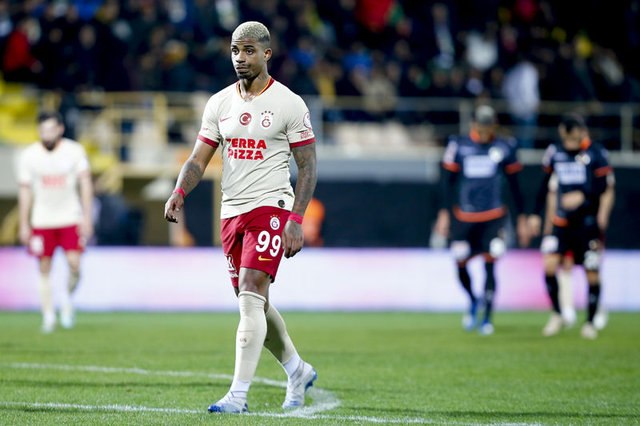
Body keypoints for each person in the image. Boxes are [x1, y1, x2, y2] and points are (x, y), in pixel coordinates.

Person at [164, 21, 318, 414]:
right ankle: (297, 370)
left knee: (250, 292)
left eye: (249, 50)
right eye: (235, 50)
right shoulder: (219, 103)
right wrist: (179, 192)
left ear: (267, 54)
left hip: (271, 207)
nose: (240, 58)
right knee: (254, 303)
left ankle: (237, 394)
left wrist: (296, 219)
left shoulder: (289, 103)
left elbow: (307, 166)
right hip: (231, 211)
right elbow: (198, 159)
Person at [434, 105, 528, 335]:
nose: (485, 130)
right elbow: (447, 181)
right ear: (474, 124)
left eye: (489, 124)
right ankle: (473, 300)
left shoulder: (505, 146)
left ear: (494, 124)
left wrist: (521, 218)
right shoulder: (458, 145)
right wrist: (444, 213)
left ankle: (487, 318)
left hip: (493, 217)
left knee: (490, 263)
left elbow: (516, 185)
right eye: (481, 125)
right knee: (460, 261)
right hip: (464, 216)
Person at [529, 113, 614, 339]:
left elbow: (604, 185)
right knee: (549, 266)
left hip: (587, 223)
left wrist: (583, 195)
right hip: (562, 222)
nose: (569, 144)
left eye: (573, 139)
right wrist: (535, 214)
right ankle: (558, 314)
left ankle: (590, 322)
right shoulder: (554, 152)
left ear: (582, 133)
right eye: (565, 139)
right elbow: (543, 184)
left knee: (591, 271)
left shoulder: (596, 153)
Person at [17, 111, 93, 333]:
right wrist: (24, 223)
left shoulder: (74, 151)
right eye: (43, 130)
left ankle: (66, 300)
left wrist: (87, 216)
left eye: (51, 129)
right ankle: (48, 316)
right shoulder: (29, 155)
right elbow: (25, 192)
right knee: (44, 267)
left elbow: (85, 184)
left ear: (60, 129)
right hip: (42, 220)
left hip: (70, 217)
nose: (47, 134)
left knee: (74, 264)